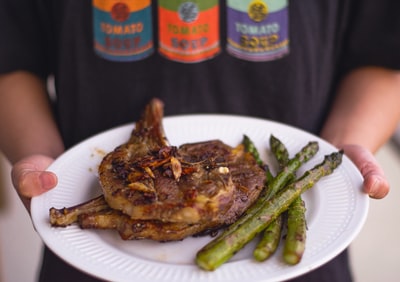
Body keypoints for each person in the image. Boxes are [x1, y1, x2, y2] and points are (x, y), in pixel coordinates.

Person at [0, 0, 399, 281]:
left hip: (295, 253)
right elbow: (11, 54)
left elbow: (383, 52)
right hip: (88, 261)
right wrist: (43, 159)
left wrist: (341, 149)